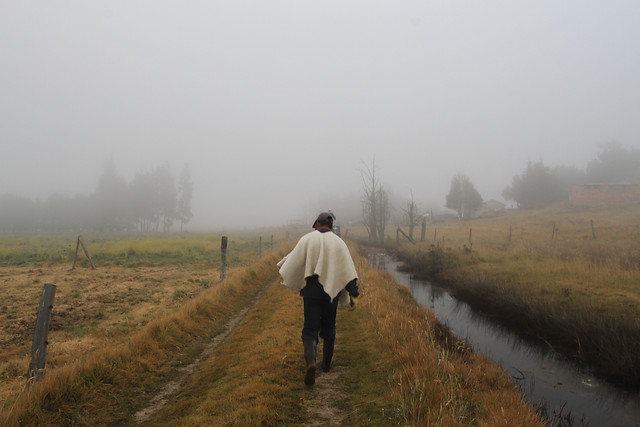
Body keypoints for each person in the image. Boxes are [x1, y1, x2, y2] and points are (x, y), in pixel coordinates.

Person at [277, 212, 359, 386]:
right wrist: (353, 291)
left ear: (317, 223)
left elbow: (294, 259)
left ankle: (311, 362)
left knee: (310, 328)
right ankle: (327, 365)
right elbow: (347, 269)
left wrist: (283, 266)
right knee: (329, 326)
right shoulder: (339, 242)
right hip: (332, 293)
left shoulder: (307, 239)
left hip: (311, 292)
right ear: (330, 225)